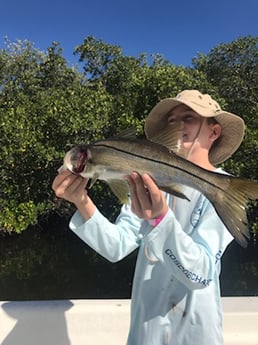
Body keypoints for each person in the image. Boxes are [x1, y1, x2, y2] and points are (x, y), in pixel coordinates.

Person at [52, 90, 245, 345]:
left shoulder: (225, 190)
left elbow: (201, 275)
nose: (177, 125)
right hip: (145, 333)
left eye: (188, 117)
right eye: (171, 120)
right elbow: (116, 247)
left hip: (196, 335)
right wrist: (81, 200)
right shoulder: (143, 182)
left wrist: (160, 219)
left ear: (214, 132)